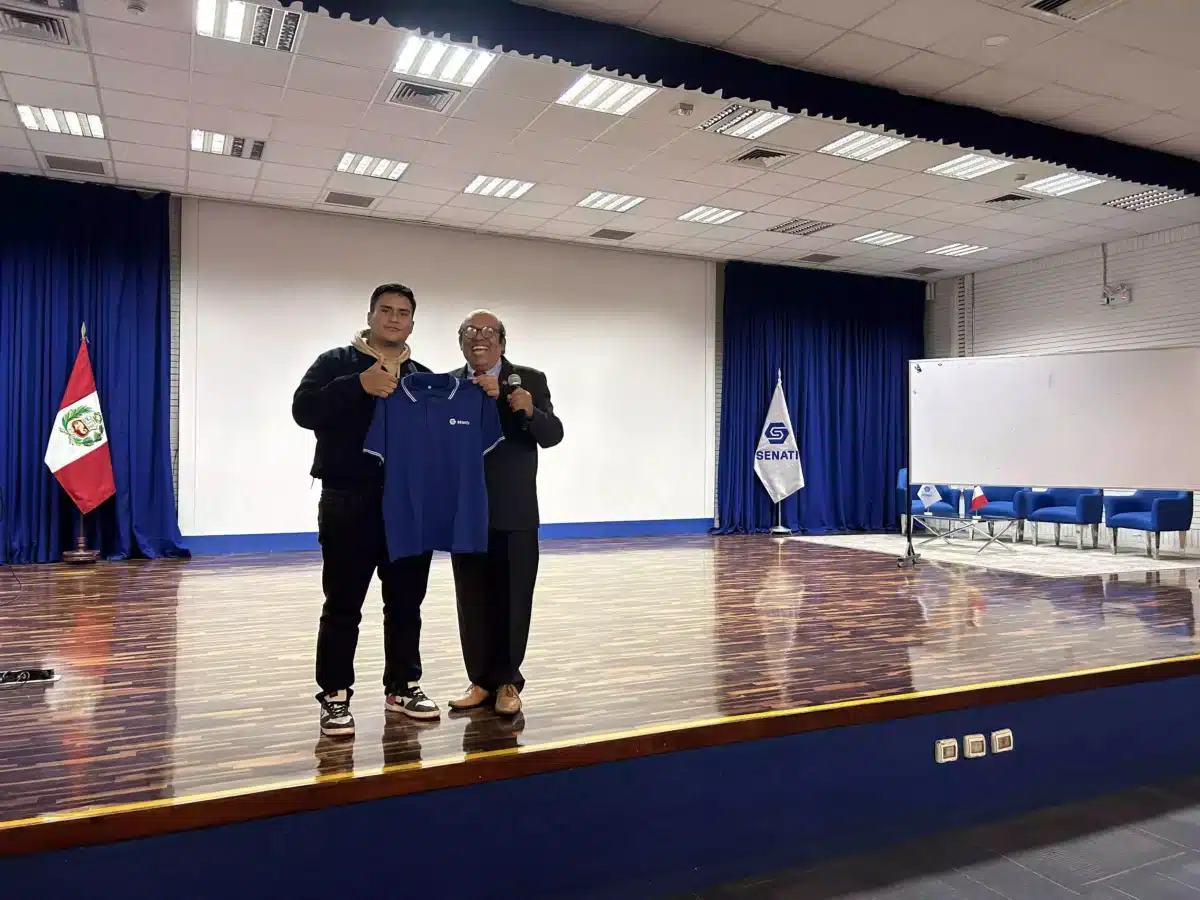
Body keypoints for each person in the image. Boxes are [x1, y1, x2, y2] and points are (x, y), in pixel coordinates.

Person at [292, 283, 441, 737]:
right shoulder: (335, 363)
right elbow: (303, 410)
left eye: (403, 312)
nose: (394, 318)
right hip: (348, 500)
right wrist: (358, 385)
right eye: (386, 310)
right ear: (370, 315)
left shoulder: (422, 377)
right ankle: (335, 695)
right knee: (343, 605)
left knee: (406, 603)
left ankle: (403, 687)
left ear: (412, 323)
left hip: (408, 506)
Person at [448, 310, 563, 716]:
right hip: (464, 512)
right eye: (470, 331)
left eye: (488, 332)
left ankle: (509, 682)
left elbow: (552, 435)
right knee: (472, 601)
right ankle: (481, 680)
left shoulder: (528, 380)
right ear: (461, 341)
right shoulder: (450, 385)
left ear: (501, 341)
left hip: (514, 512)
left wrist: (529, 410)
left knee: (513, 600)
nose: (479, 337)